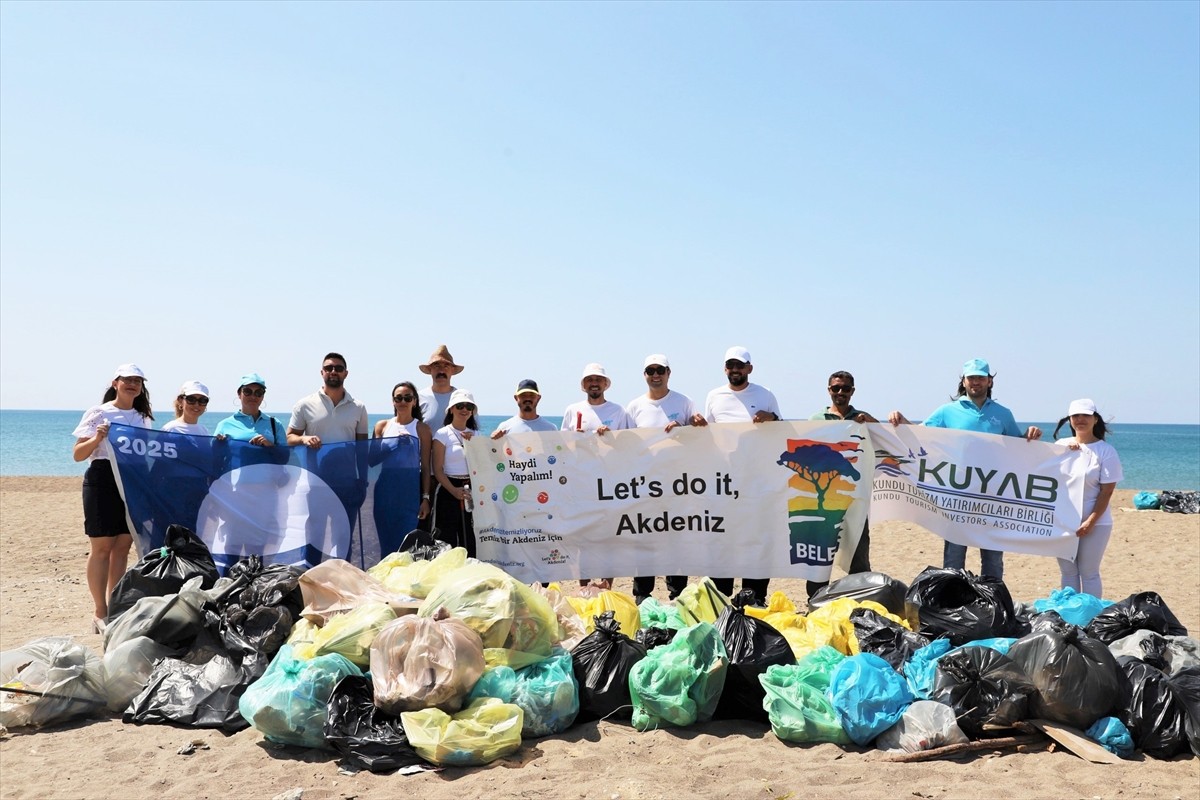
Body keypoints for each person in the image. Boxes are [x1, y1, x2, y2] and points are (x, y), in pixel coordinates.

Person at [888, 358, 1041, 580]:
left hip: (992, 498)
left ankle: (993, 600)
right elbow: (921, 437)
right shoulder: (946, 411)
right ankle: (951, 605)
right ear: (964, 381)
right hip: (957, 498)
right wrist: (901, 420)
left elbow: (1018, 448)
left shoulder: (1003, 414)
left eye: (980, 377)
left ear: (990, 381)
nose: (975, 382)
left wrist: (1031, 435)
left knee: (993, 560)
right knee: (953, 559)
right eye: (971, 378)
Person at [71, 364, 155, 632]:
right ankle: (99, 612)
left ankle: (114, 607)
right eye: (127, 380)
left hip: (130, 481)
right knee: (102, 548)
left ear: (141, 387)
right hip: (102, 478)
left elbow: (146, 454)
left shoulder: (143, 417)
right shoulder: (99, 412)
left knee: (122, 548)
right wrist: (97, 438)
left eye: (137, 381)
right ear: (115, 382)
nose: (132, 384)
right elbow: (78, 455)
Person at [626, 354, 707, 603]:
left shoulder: (684, 402)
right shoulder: (634, 407)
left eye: (659, 370)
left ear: (668, 372)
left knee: (676, 538)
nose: (655, 375)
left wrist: (692, 426)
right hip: (644, 485)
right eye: (650, 370)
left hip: (677, 485)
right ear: (644, 375)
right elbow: (626, 446)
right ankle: (642, 595)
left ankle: (677, 594)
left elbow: (700, 436)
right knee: (644, 537)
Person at [703, 346, 781, 605]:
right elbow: (706, 436)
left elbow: (781, 431)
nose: (735, 370)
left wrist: (771, 417)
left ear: (750, 368)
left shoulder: (765, 394)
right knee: (723, 537)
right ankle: (721, 595)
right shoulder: (714, 396)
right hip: (723, 482)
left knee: (755, 538)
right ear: (725, 369)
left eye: (740, 365)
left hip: (757, 481)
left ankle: (755, 596)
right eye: (730, 365)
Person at [805, 370, 877, 601]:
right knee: (819, 558)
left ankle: (861, 603)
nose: (840, 393)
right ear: (829, 390)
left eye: (845, 388)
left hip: (855, 499)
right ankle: (815, 601)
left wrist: (871, 422)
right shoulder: (815, 420)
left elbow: (885, 440)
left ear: (852, 391)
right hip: (822, 501)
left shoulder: (862, 419)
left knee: (858, 554)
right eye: (836, 388)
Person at [287, 353, 370, 533]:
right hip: (315, 483)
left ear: (346, 373)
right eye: (329, 368)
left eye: (338, 368)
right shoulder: (304, 404)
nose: (333, 372)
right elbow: (289, 438)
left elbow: (362, 450)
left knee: (343, 539)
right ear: (322, 372)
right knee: (313, 539)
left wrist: (363, 482)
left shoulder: (359, 407)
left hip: (347, 483)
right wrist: (303, 439)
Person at [1053, 399, 1122, 597]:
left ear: (1095, 419)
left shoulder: (1105, 451)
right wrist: (1065, 453)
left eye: (1085, 415)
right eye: (1075, 416)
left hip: (1096, 523)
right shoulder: (1061, 445)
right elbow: (1042, 473)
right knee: (1068, 572)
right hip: (1063, 521)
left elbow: (1106, 492)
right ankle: (1070, 616)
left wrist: (1090, 521)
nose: (1080, 420)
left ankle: (1091, 619)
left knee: (1089, 573)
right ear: (1070, 420)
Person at [370, 381, 433, 553]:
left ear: (414, 401)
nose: (403, 402)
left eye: (407, 398)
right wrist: (393, 445)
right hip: (385, 491)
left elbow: (426, 466)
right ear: (393, 401)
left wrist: (425, 498)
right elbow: (372, 460)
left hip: (409, 492)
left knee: (406, 544)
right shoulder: (382, 426)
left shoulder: (422, 429)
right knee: (385, 542)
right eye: (398, 398)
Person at [432, 389, 479, 556]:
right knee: (446, 540)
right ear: (451, 409)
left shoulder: (477, 435)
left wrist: (476, 443)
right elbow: (437, 469)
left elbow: (487, 463)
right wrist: (454, 490)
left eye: (469, 406)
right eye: (460, 405)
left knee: (471, 538)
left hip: (472, 491)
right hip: (447, 489)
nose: (464, 409)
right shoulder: (442, 434)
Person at [213, 373, 287, 446]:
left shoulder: (275, 424)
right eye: (247, 391)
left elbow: (285, 455)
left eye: (258, 392)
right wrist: (218, 444)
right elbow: (213, 455)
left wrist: (270, 446)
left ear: (263, 396)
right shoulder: (224, 425)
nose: (253, 397)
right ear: (239, 394)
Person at [561, 363, 634, 435]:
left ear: (605, 383)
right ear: (584, 384)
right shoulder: (572, 410)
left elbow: (624, 443)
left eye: (598, 380)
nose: (594, 383)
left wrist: (610, 436)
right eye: (589, 380)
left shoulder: (618, 411)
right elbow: (562, 444)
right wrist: (575, 437)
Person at [417, 345, 464, 438]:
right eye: (436, 366)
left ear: (452, 370)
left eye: (446, 366)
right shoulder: (418, 398)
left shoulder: (461, 398)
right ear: (430, 370)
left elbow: (474, 430)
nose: (441, 370)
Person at [491, 379, 559, 438]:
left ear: (538, 398)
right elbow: (495, 451)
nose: (528, 398)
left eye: (532, 395)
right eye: (523, 395)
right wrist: (493, 440)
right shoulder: (504, 428)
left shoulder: (551, 429)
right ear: (516, 398)